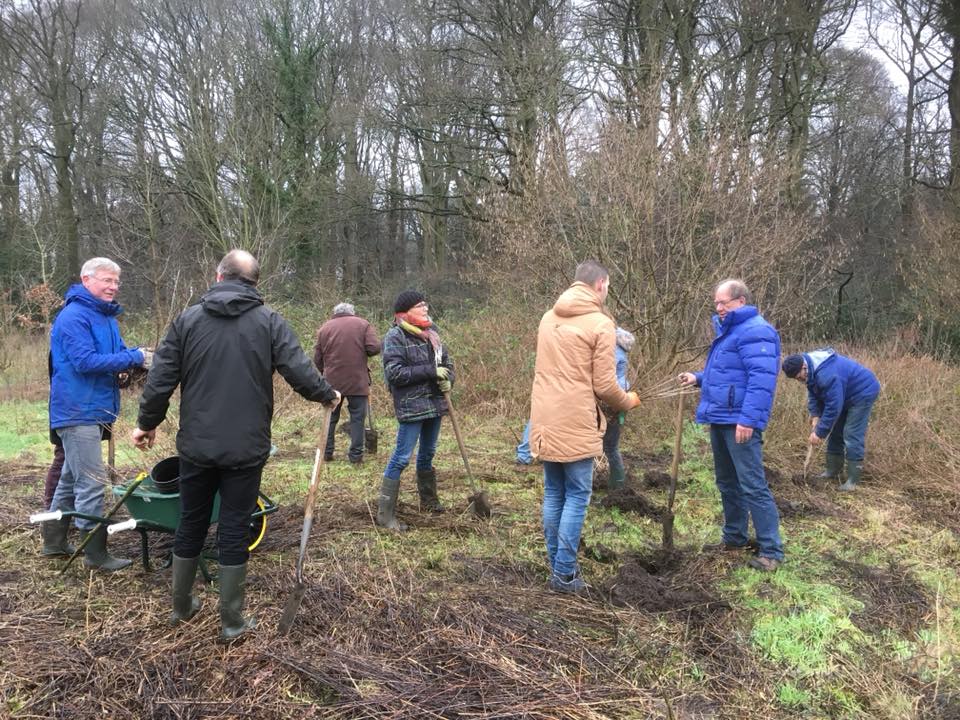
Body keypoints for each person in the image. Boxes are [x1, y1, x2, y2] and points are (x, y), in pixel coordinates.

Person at [131, 249, 340, 642]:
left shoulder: (187, 321)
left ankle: (182, 608)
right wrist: (327, 394)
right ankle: (231, 621)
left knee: (191, 521)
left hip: (196, 446)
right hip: (245, 448)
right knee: (232, 526)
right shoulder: (269, 322)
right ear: (254, 283)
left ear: (218, 276)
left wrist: (147, 424)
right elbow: (299, 370)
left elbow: (160, 378)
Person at [529, 261, 641, 594]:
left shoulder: (548, 317)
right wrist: (628, 401)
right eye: (608, 286)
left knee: (554, 492)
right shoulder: (600, 323)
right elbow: (605, 385)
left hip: (545, 415)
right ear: (601, 284)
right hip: (576, 417)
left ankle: (558, 568)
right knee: (577, 495)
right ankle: (564, 575)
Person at [45, 257, 151, 570]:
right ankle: (95, 554)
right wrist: (134, 356)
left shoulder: (106, 318)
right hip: (77, 412)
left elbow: (115, 357)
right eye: (107, 280)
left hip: (95, 409)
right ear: (86, 280)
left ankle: (52, 543)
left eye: (116, 282)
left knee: (68, 479)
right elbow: (85, 362)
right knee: (91, 482)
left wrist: (130, 364)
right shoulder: (74, 316)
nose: (113, 287)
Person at [679, 279, 783, 572]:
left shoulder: (757, 331)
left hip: (739, 421)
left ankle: (771, 551)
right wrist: (698, 378)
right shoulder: (731, 331)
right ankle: (734, 537)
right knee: (727, 482)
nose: (719, 308)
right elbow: (728, 373)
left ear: (741, 301)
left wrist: (748, 419)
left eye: (723, 302)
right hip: (721, 418)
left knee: (752, 485)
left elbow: (761, 380)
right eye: (715, 303)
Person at [377, 290, 454, 530]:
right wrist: (431, 372)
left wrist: (449, 378)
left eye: (425, 304)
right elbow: (395, 374)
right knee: (401, 458)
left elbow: (446, 363)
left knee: (427, 454)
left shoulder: (433, 333)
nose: (425, 308)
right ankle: (385, 515)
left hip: (435, 403)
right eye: (420, 305)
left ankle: (429, 501)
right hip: (411, 407)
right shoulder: (395, 336)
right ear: (405, 311)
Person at [781, 350, 880, 491]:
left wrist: (819, 433)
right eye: (796, 379)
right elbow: (813, 391)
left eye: (799, 377)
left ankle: (853, 480)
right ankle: (833, 470)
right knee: (835, 431)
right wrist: (815, 414)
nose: (799, 380)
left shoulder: (827, 375)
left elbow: (833, 407)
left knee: (851, 433)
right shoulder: (810, 368)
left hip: (862, 392)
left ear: (803, 367)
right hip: (844, 393)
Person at [313, 302, 381, 464]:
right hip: (357, 380)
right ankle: (356, 456)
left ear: (334, 312)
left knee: (331, 416)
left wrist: (325, 372)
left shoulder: (324, 328)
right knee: (357, 418)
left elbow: (317, 358)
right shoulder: (363, 324)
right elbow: (374, 348)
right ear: (352, 312)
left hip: (332, 382)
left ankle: (327, 453)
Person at [603, 327, 636, 490]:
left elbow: (608, 380)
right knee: (609, 446)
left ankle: (618, 487)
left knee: (609, 446)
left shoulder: (612, 348)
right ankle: (616, 484)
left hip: (613, 401)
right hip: (620, 397)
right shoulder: (619, 344)